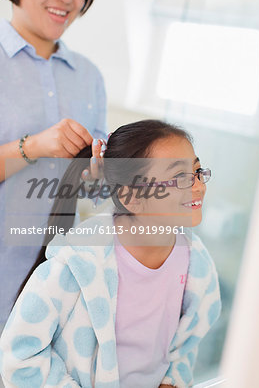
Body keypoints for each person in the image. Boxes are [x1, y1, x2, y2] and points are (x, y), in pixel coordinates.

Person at [0, 119, 221, 388]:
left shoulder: (194, 264)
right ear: (131, 198)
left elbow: (185, 345)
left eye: (197, 171)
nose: (198, 186)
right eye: (180, 178)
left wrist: (171, 381)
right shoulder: (75, 266)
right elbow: (19, 355)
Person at [0, 0, 106, 326]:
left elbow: (96, 189)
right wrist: (36, 145)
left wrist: (99, 172)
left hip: (54, 289)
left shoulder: (90, 77)